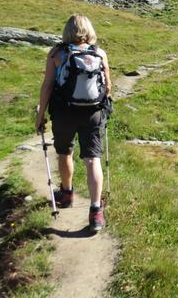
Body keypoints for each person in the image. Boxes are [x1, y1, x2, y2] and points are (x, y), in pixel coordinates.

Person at [35, 14, 112, 232]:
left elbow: (48, 86)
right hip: (93, 113)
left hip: (64, 112)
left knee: (65, 153)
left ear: (67, 31)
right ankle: (96, 211)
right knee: (92, 159)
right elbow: (107, 86)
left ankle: (67, 193)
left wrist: (40, 116)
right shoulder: (99, 53)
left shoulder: (57, 53)